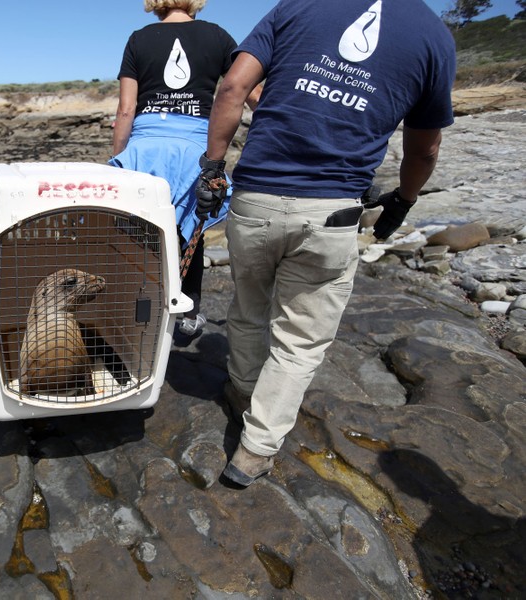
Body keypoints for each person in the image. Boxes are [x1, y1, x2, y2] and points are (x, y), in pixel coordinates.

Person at [195, 0, 455, 486]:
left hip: (255, 199)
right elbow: (425, 147)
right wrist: (403, 200)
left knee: (249, 308)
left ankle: (243, 394)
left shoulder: (300, 5)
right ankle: (254, 450)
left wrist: (213, 167)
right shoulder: (433, 37)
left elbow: (232, 87)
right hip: (332, 212)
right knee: (300, 339)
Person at [109, 0, 238, 337]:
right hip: (194, 150)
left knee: (139, 233)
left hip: (145, 148)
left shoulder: (139, 39)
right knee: (191, 229)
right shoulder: (218, 37)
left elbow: (126, 109)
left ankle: (139, 312)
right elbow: (241, 92)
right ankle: (188, 313)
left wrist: (118, 160)